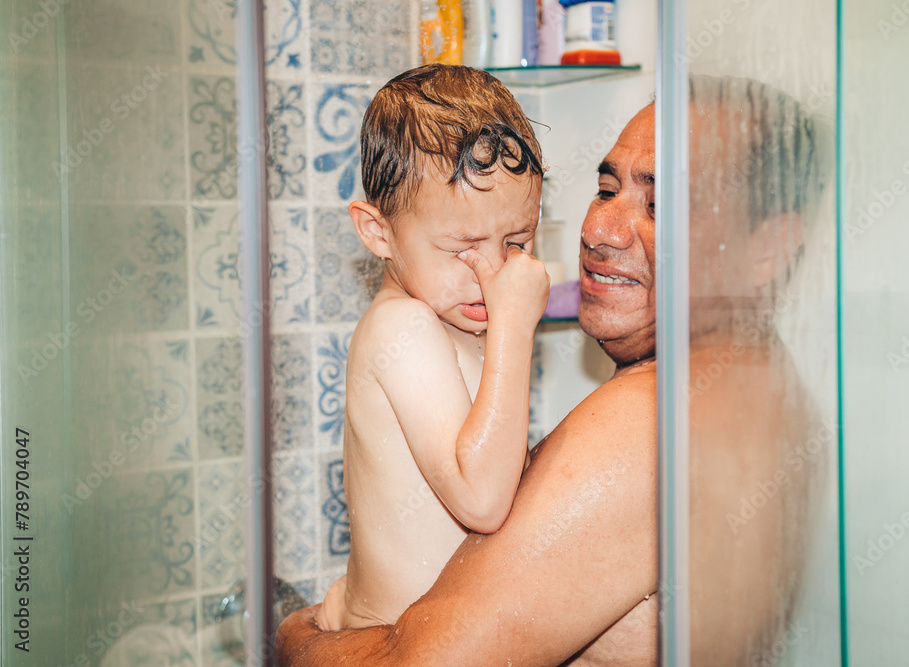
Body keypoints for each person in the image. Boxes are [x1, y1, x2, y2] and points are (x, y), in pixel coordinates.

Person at [279, 75, 826, 665]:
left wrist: (294, 637)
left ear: (769, 248)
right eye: (605, 188)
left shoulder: (652, 423)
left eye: (659, 204)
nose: (597, 231)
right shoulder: (775, 401)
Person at [314, 64, 550, 632]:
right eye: (461, 247)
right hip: (390, 646)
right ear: (378, 233)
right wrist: (515, 332)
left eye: (516, 242)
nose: (492, 271)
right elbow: (482, 499)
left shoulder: (458, 323)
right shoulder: (403, 329)